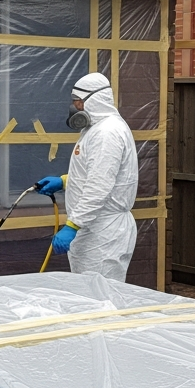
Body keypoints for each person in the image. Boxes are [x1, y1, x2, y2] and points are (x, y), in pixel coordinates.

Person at [36, 72, 139, 282]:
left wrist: (72, 225)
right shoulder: (96, 129)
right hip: (94, 230)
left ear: (94, 100)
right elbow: (96, 174)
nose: (74, 108)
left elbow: (99, 186)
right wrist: (65, 181)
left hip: (103, 232)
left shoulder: (106, 133)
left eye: (78, 102)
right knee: (90, 294)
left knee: (101, 299)